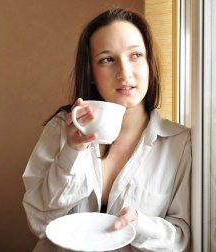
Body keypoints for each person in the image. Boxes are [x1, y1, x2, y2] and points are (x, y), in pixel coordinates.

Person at [22, 8, 192, 252]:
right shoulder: (62, 127)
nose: (124, 72)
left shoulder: (180, 143)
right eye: (107, 59)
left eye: (135, 55)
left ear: (149, 63)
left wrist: (140, 225)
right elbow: (39, 223)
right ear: (91, 73)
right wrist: (71, 151)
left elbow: (184, 239)